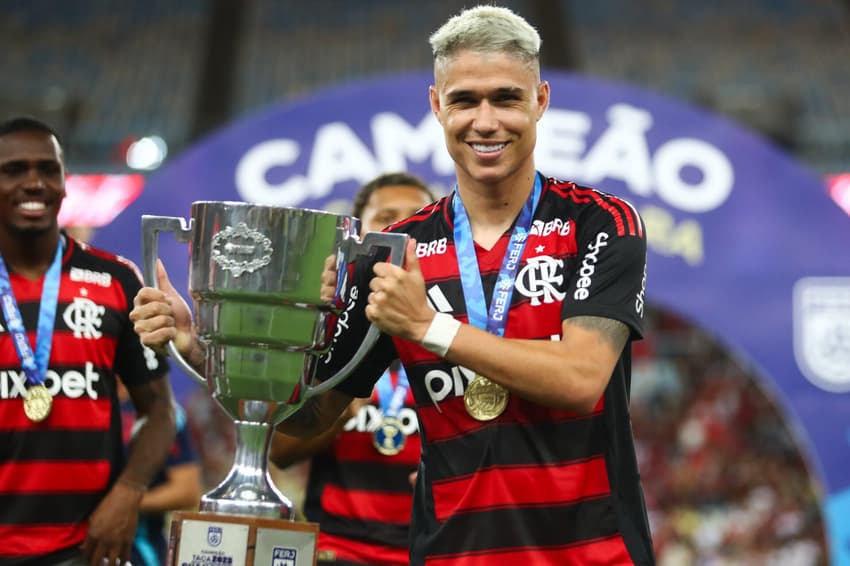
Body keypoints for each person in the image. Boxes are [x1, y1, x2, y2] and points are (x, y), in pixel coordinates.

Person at [131, 5, 655, 564]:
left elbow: (581, 380)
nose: (485, 121)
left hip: (595, 555)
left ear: (541, 101)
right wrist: (207, 349)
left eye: (506, 98)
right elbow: (293, 433)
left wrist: (429, 328)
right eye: (463, 100)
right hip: (449, 555)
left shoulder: (600, 222)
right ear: (436, 106)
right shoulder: (391, 254)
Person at [0, 116, 177, 566]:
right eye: (14, 170)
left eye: (48, 169)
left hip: (83, 548)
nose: (34, 182)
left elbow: (158, 410)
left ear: (64, 183)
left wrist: (129, 492)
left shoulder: (116, 279)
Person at [269, 172, 436, 566]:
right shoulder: (325, 334)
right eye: (388, 219)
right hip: (338, 550)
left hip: (434, 546)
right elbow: (281, 451)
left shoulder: (460, 332)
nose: (403, 233)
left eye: (417, 218)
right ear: (360, 239)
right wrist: (341, 406)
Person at [117, 381, 202, 566]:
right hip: (69, 547)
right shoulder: (74, 403)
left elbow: (187, 490)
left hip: (140, 552)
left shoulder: (165, 415)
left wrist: (122, 501)